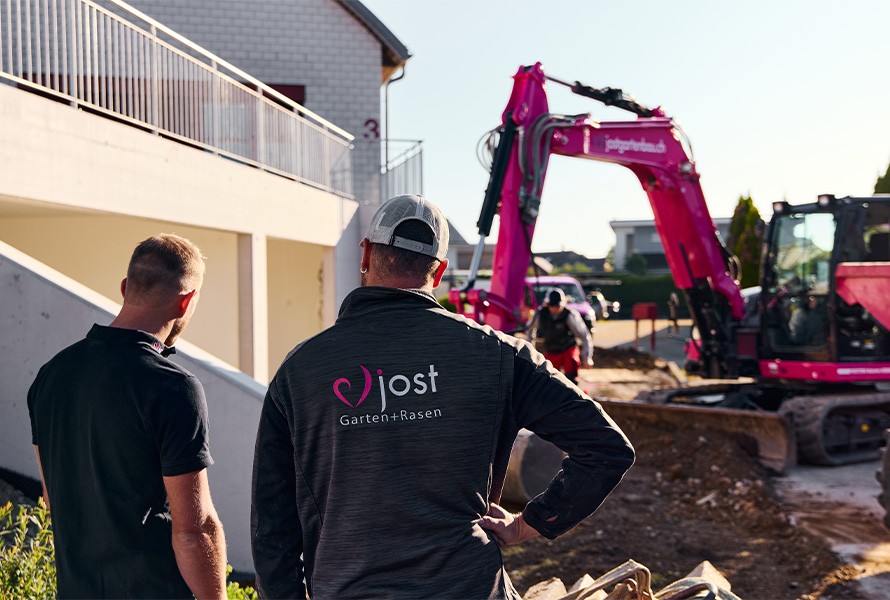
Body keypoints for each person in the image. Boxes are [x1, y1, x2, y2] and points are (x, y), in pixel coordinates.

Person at [251, 194, 635, 599]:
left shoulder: (300, 370)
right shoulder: (500, 355)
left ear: (365, 253)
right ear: (439, 274)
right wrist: (528, 524)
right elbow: (607, 449)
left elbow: (272, 524)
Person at [27, 234, 227, 599]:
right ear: (187, 302)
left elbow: (53, 497)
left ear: (125, 288)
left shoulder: (50, 376)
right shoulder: (174, 387)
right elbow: (194, 530)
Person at [527, 287, 593, 384]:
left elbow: (584, 335)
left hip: (568, 349)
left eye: (558, 306)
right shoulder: (541, 314)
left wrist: (587, 357)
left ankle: (572, 392)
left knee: (571, 375)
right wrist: (531, 350)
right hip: (551, 350)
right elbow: (529, 329)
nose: (555, 309)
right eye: (553, 306)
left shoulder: (569, 315)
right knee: (549, 379)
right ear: (547, 305)